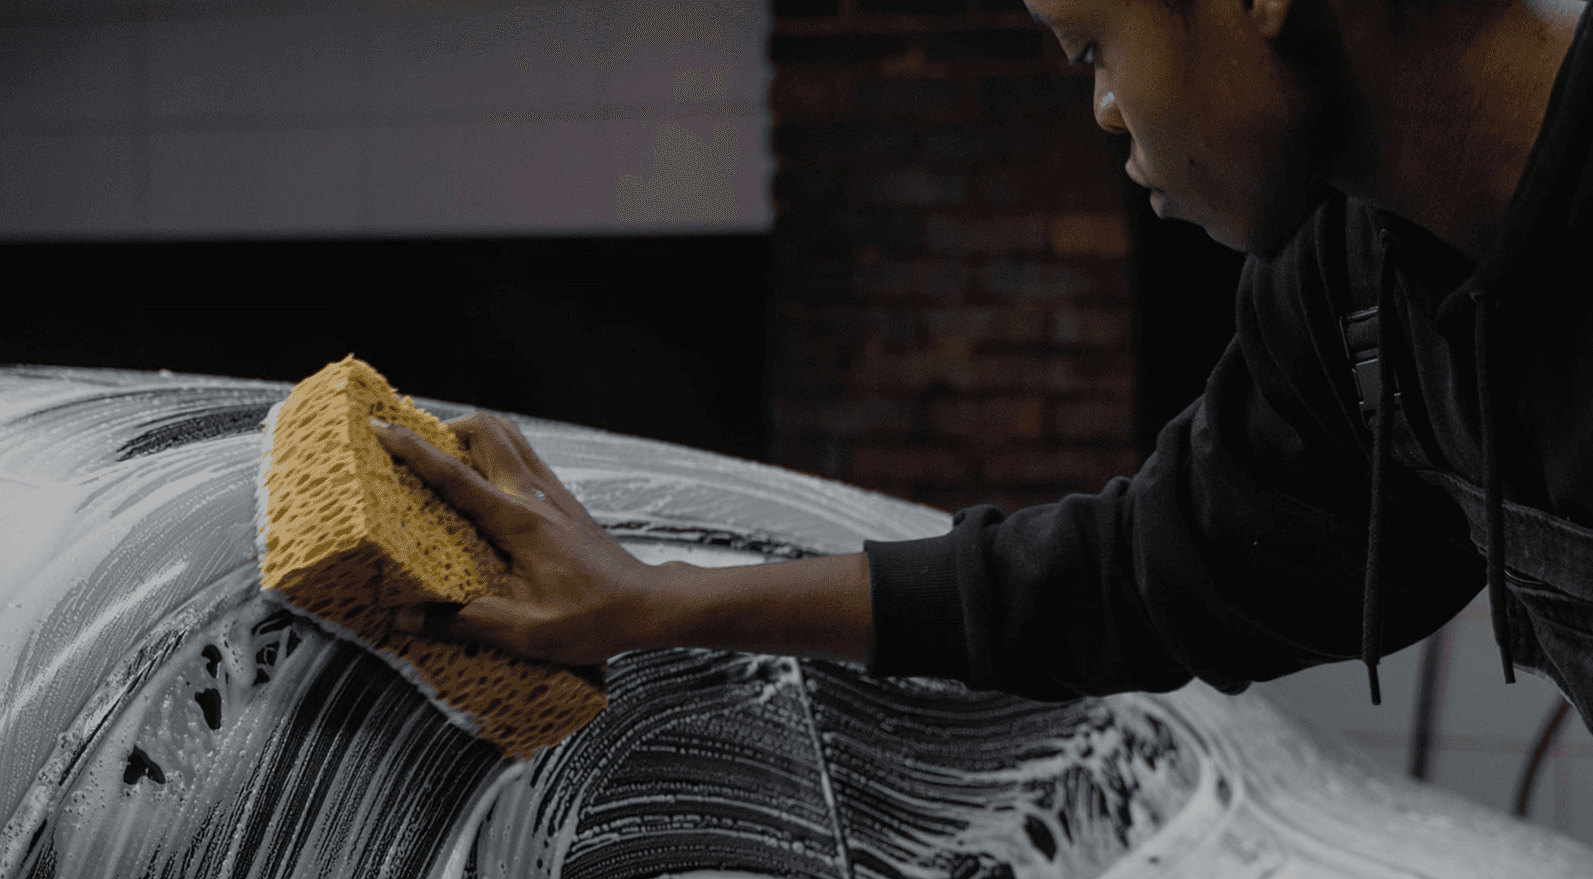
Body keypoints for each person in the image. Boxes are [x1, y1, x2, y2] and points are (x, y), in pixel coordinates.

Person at [374, 0, 1593, 727]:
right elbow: (1123, 576)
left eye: (1091, 49)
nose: (1108, 113)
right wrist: (659, 600)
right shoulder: (1357, 294)